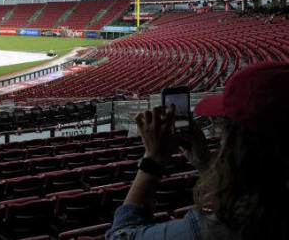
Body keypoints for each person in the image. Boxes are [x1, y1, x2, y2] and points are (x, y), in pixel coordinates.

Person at [106, 62, 289, 239]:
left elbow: (120, 236)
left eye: (222, 129)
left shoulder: (226, 227)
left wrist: (152, 160)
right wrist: (205, 164)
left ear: (237, 146)